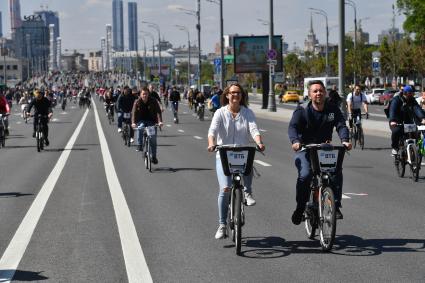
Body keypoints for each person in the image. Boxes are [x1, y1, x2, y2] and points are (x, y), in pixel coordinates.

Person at [288, 80, 351, 225]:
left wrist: (345, 140)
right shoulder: (302, 110)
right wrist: (295, 141)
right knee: (305, 175)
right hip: (305, 148)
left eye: (321, 91)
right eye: (315, 91)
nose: (318, 93)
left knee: (335, 171)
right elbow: (293, 127)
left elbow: (341, 124)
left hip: (324, 148)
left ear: (325, 93)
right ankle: (300, 207)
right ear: (309, 95)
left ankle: (336, 204)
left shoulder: (332, 109)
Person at [207, 83, 265, 239]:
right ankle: (222, 225)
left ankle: (247, 192)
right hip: (224, 154)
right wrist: (212, 143)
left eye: (238, 93)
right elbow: (212, 130)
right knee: (225, 188)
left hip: (242, 152)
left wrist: (259, 142)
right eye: (232, 93)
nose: (235, 95)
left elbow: (253, 129)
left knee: (248, 164)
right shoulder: (220, 113)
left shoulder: (247, 113)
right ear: (227, 95)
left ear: (241, 96)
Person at [389, 85, 425, 155]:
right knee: (396, 131)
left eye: (413, 93)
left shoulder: (412, 100)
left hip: (407, 121)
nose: (413, 94)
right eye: (411, 93)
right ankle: (395, 147)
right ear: (405, 93)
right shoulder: (396, 100)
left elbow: (417, 109)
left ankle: (413, 149)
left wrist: (422, 118)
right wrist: (393, 120)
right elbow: (392, 110)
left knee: (416, 132)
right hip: (396, 122)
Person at [131, 87, 163, 164]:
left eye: (146, 94)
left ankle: (154, 157)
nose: (145, 95)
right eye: (143, 94)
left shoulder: (153, 101)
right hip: (141, 120)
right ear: (140, 94)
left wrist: (160, 122)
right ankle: (139, 145)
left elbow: (158, 112)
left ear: (148, 94)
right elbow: (134, 113)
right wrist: (133, 123)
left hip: (151, 121)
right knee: (141, 127)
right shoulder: (137, 102)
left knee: (153, 140)